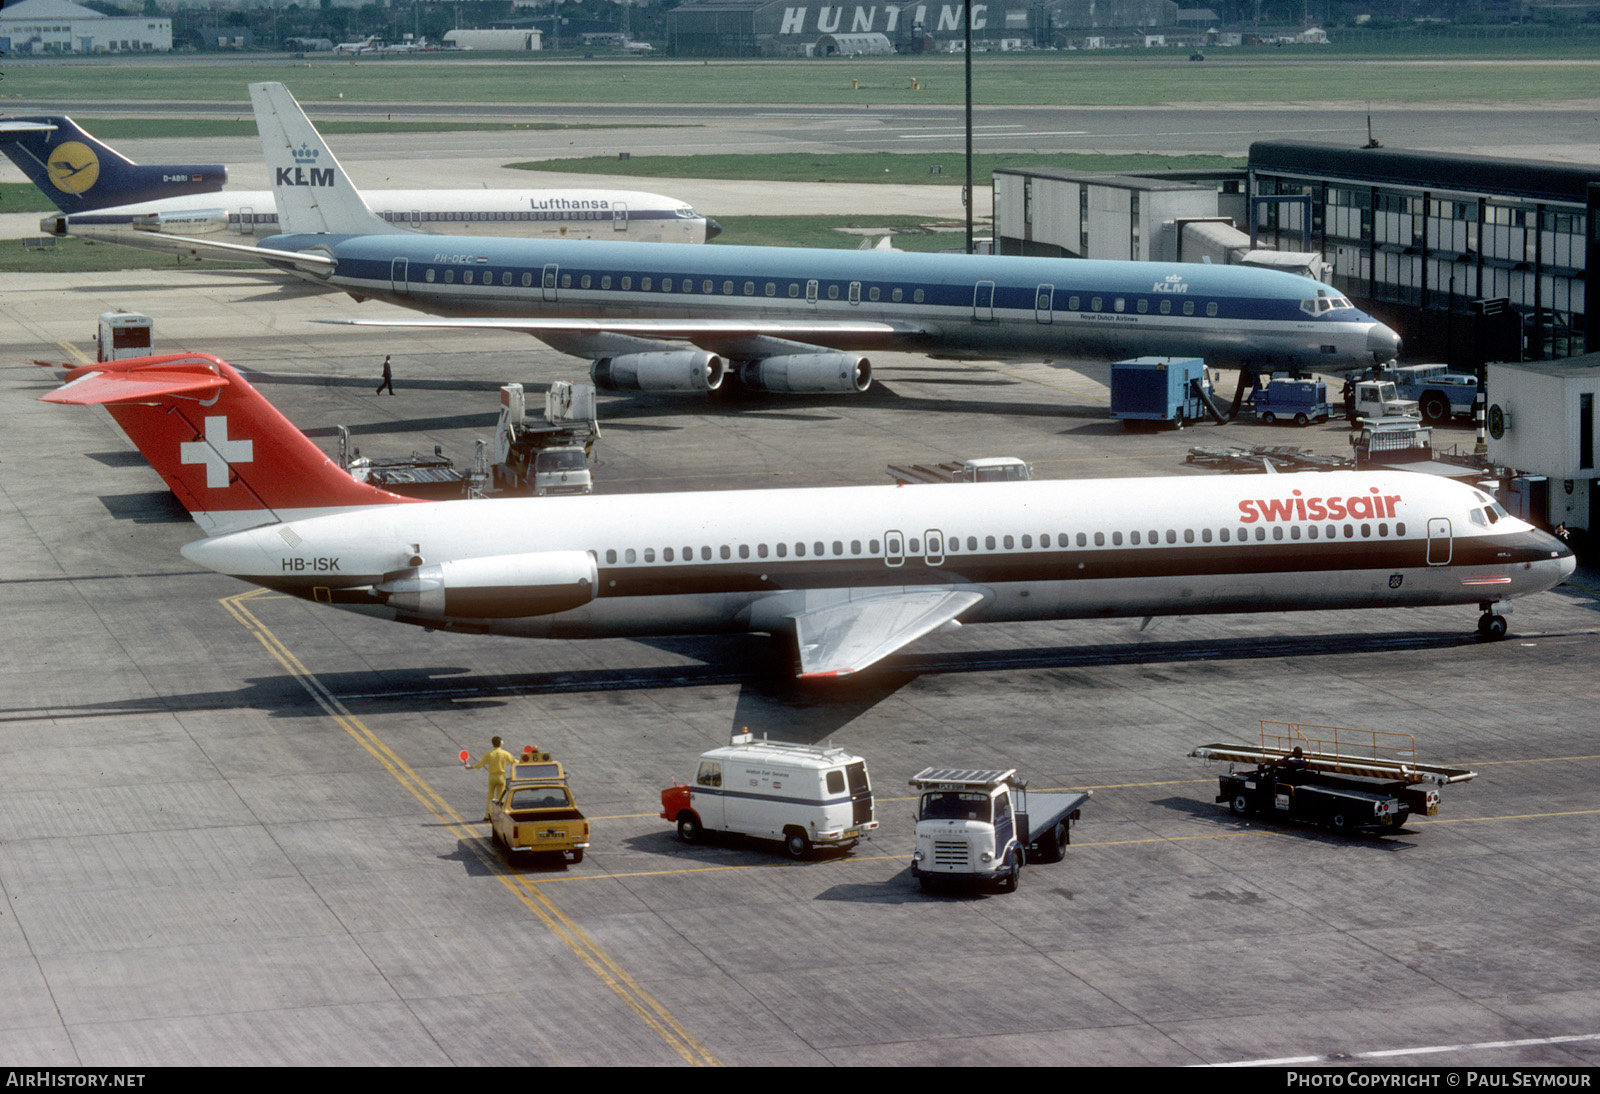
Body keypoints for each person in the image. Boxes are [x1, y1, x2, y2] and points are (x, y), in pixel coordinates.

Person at [468, 736, 516, 821]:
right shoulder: (505, 753)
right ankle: (500, 816)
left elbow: (481, 763)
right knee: (501, 798)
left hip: (492, 777)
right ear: (501, 743)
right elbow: (514, 761)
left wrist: (471, 766)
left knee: (490, 797)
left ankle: (487, 815)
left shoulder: (489, 753)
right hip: (501, 777)